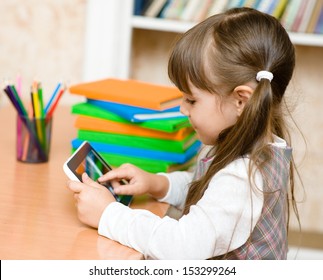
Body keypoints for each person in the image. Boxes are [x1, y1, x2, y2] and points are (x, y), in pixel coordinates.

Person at [67, 7, 300, 259]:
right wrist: (159, 183)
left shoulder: (242, 178)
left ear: (240, 102)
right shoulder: (246, 143)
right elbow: (208, 189)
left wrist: (108, 214)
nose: (182, 109)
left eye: (191, 100)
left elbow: (181, 247)